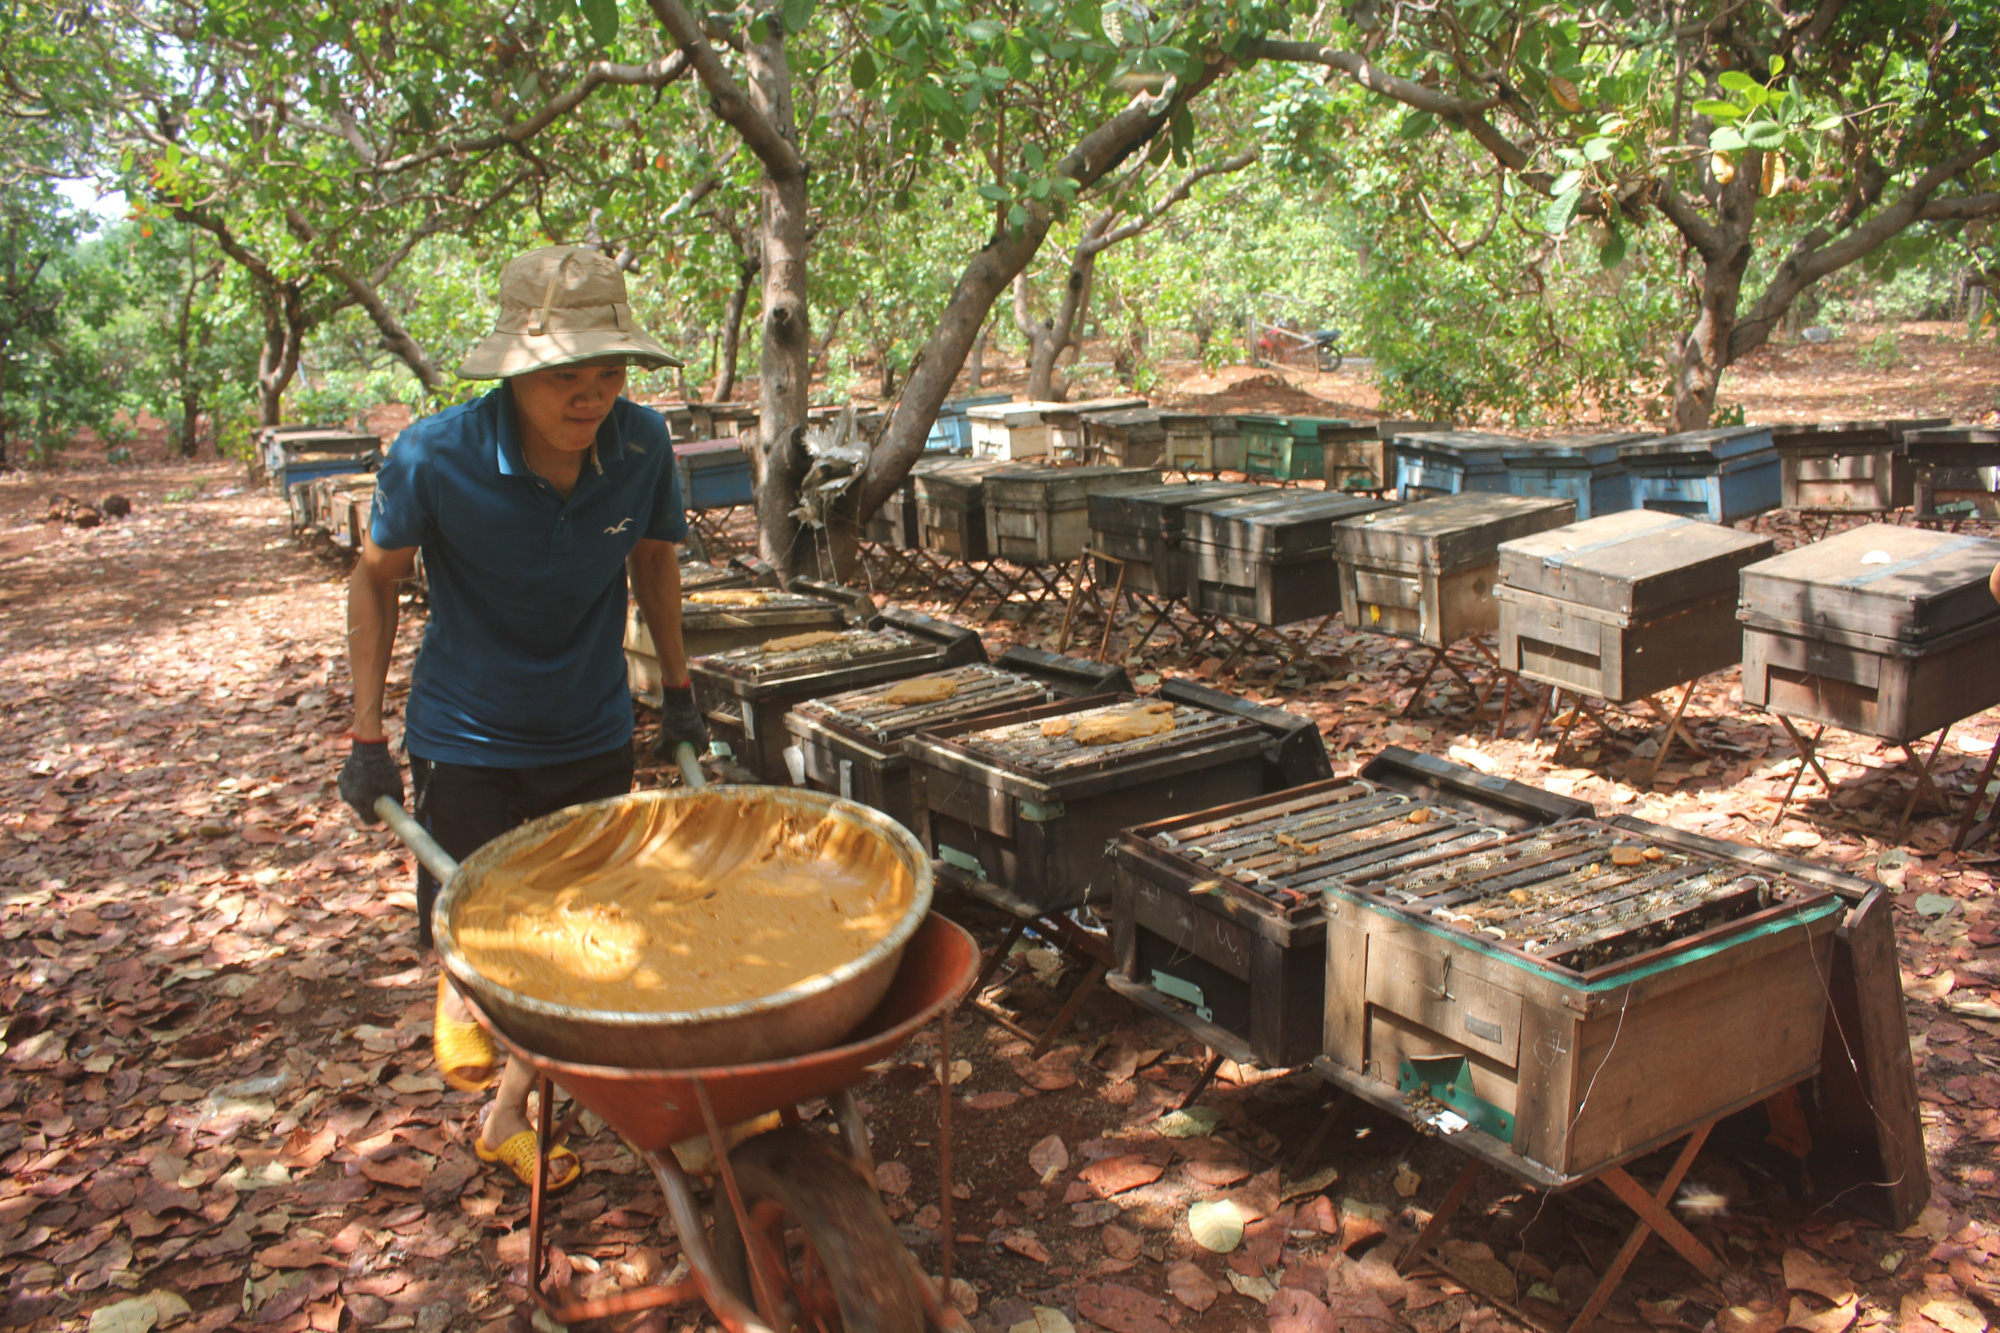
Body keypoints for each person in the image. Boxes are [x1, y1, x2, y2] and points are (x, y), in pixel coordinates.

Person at [337, 245, 710, 1191]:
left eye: (609, 373)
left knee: (587, 946)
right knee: (497, 946)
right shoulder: (435, 454)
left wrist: (678, 690)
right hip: (467, 737)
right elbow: (374, 579)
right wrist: (366, 736)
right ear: (514, 371)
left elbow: (656, 565)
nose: (590, 397)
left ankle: (507, 1115)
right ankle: (483, 1026)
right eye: (564, 377)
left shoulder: (643, 447)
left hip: (587, 729)